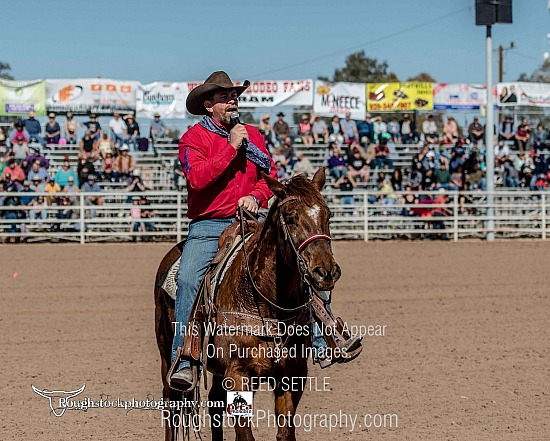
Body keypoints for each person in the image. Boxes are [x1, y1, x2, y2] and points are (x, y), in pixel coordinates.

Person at [170, 71, 277, 388]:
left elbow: (267, 178)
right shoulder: (193, 139)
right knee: (188, 279)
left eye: (235, 96)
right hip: (208, 227)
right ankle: (185, 357)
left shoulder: (253, 136)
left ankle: (319, 336)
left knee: (297, 260)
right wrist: (231, 148)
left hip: (248, 223)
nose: (233, 100)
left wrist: (256, 196)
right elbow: (198, 179)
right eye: (225, 97)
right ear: (208, 105)